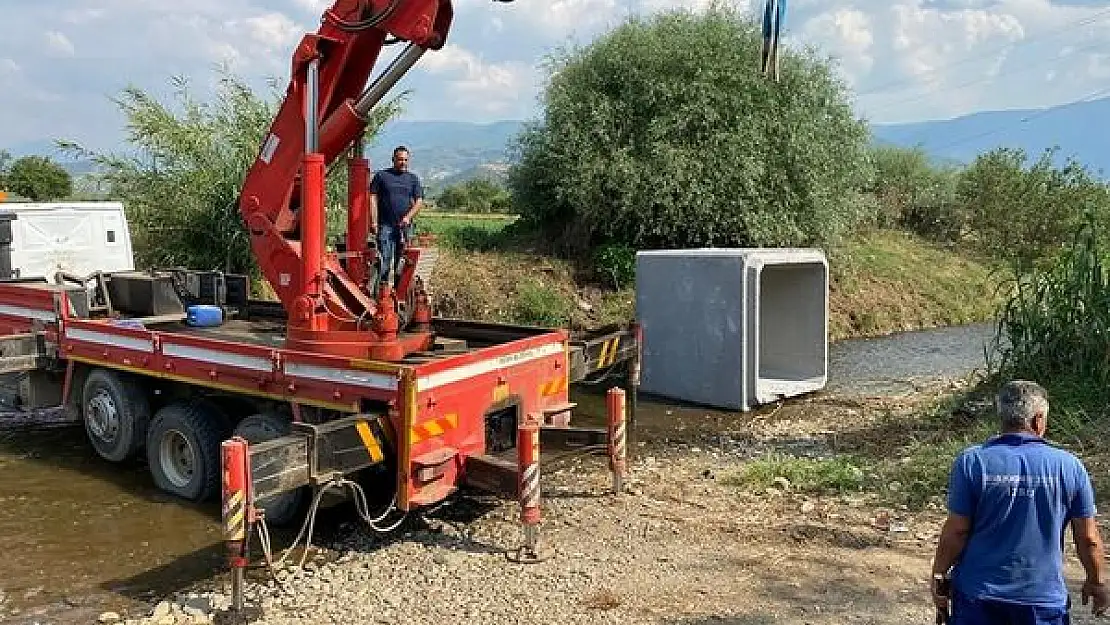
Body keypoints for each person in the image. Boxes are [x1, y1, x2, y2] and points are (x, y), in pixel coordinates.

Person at [931, 380, 1109, 624]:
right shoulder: (1069, 466)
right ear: (1038, 420)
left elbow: (957, 530)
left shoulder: (972, 462)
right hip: (1041, 601)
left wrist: (939, 575)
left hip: (979, 596)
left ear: (1002, 418)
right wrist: (1096, 581)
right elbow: (1088, 538)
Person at [369, 145, 424, 287]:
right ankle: (382, 292)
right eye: (400, 159)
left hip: (404, 228)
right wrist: (374, 222)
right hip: (385, 225)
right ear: (393, 159)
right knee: (384, 260)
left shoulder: (413, 179)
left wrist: (408, 217)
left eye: (405, 160)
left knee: (402, 261)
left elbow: (419, 201)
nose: (403, 162)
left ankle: (398, 293)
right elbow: (372, 198)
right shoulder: (381, 176)